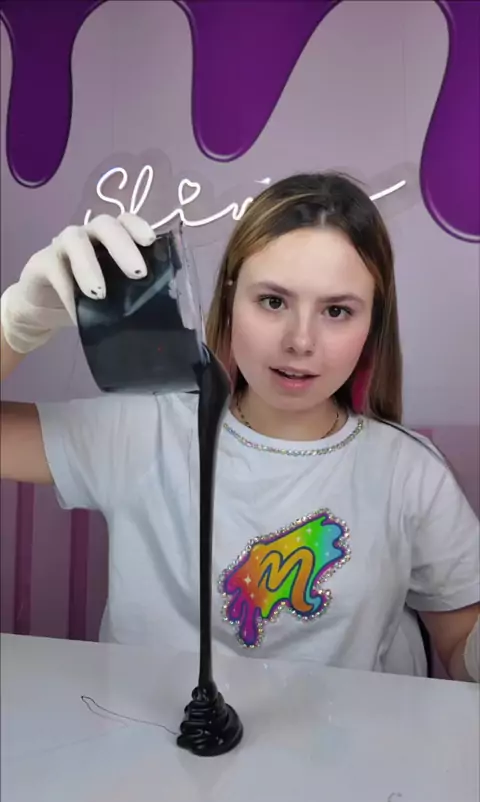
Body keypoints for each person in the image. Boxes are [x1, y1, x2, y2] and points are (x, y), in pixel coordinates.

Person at [1, 172, 479, 681]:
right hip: (145, 730)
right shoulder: (142, 431)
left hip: (345, 734)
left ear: (372, 325)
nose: (300, 341)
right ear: (230, 300)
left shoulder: (410, 474)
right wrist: (15, 325)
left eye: (337, 311)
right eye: (273, 301)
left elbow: (460, 647)